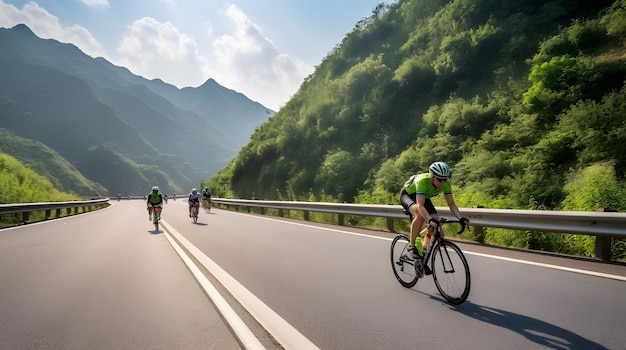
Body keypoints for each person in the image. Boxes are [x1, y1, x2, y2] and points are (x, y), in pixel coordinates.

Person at [400, 161, 469, 260]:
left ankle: (422, 255)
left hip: (423, 197)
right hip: (408, 195)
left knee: (439, 231)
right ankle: (412, 245)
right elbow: (420, 206)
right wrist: (429, 219)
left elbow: (452, 205)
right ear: (432, 177)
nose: (443, 182)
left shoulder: (446, 184)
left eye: (445, 179)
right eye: (440, 179)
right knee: (421, 214)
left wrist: (461, 218)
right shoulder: (423, 181)